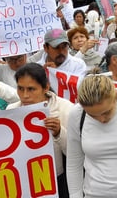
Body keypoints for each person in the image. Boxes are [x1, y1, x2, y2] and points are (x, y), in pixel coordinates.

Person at [66, 73, 117, 198]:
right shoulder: (77, 114)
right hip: (95, 194)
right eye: (93, 116)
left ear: (116, 97)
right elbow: (74, 163)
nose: (101, 119)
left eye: (106, 112)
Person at [7, 63, 73, 197]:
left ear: (46, 88)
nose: (25, 95)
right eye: (20, 88)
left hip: (57, 182)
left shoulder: (65, 109)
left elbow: (75, 153)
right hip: (24, 181)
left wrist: (59, 132)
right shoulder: (11, 111)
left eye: (31, 89)